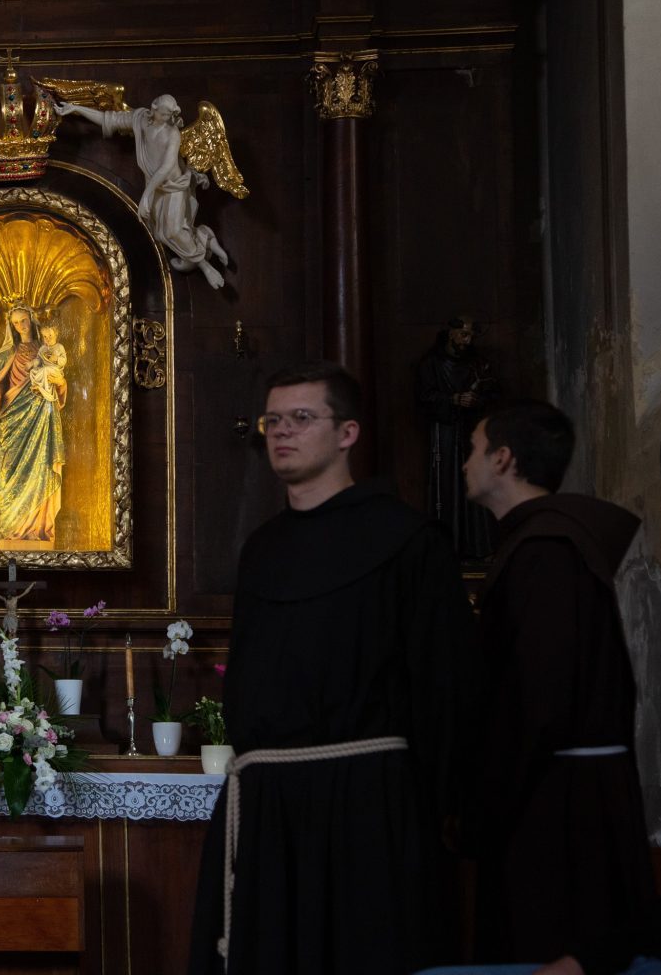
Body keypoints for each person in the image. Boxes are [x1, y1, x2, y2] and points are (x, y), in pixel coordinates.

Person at [188, 361, 474, 975]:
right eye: (272, 421)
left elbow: (443, 685)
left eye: (300, 418)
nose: (281, 432)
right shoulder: (262, 548)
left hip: (369, 802)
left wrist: (430, 807)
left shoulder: (407, 539)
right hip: (269, 805)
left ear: (348, 433)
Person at [459, 399, 654, 971]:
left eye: (473, 449)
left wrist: (484, 806)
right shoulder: (542, 544)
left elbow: (538, 699)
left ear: (503, 459)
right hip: (561, 791)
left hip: (560, 809)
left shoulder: (545, 552)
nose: (465, 462)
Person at [55, 94, 231, 288]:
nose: (167, 119)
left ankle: (206, 267)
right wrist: (76, 109)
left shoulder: (172, 133)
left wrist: (147, 194)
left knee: (173, 230)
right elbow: (108, 119)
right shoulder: (139, 119)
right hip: (158, 187)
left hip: (175, 186)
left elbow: (166, 167)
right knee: (162, 234)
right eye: (164, 115)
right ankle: (206, 238)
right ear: (153, 108)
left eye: (170, 116)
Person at [416, 315, 499, 560]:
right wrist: (453, 399)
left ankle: (480, 547)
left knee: (477, 485)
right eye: (463, 334)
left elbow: (493, 394)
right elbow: (423, 398)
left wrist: (476, 400)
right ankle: (448, 548)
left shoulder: (478, 364)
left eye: (471, 335)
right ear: (450, 333)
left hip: (472, 433)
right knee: (447, 488)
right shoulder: (431, 364)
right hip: (444, 434)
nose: (467, 340)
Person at [0, 306, 66, 546]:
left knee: (41, 467)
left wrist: (61, 382)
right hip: (13, 418)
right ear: (11, 326)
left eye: (24, 320)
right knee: (9, 471)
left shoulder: (46, 349)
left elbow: (58, 381)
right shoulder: (8, 353)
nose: (21, 326)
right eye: (16, 323)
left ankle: (38, 529)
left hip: (42, 414)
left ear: (31, 320)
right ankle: (14, 526)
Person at [28, 322, 68, 404]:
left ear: (55, 335)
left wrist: (56, 359)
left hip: (55, 370)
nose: (48, 339)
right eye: (45, 336)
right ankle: (36, 386)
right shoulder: (42, 348)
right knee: (32, 372)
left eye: (50, 336)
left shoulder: (59, 347)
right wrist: (34, 362)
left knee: (45, 370)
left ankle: (46, 391)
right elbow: (38, 359)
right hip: (45, 369)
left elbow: (64, 360)